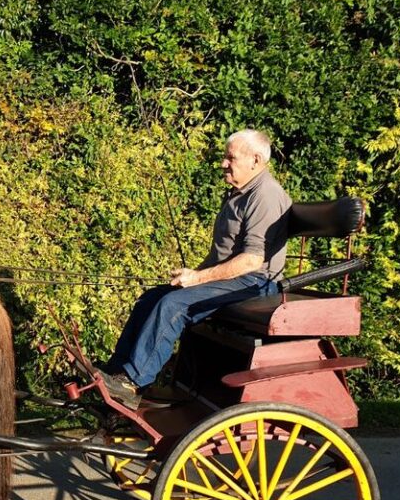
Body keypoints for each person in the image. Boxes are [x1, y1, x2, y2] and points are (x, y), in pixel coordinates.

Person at [100, 129, 291, 409]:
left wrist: (198, 278)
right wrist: (192, 275)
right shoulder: (239, 194)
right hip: (237, 279)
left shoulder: (265, 196)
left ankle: (133, 382)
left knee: (173, 305)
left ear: (256, 159)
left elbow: (252, 260)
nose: (224, 164)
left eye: (231, 158)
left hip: (255, 283)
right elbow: (223, 254)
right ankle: (117, 373)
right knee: (152, 297)